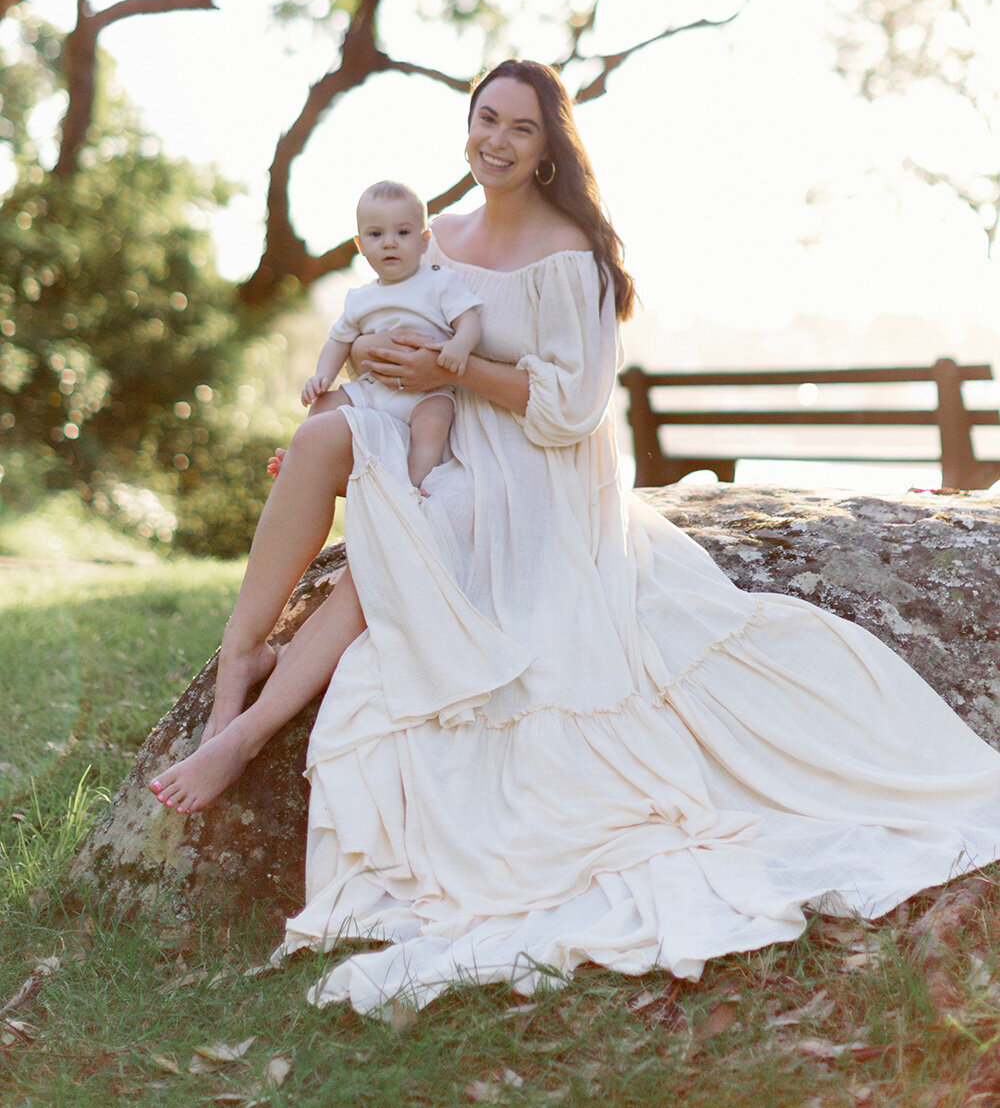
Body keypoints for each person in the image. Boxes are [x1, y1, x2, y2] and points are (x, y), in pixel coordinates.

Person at [151, 59, 1000, 1020]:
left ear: (551, 146)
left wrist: (455, 374)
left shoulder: (575, 259)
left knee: (407, 541)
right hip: (438, 437)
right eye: (485, 120)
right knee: (314, 439)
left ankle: (247, 734)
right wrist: (358, 394)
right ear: (464, 128)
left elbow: (572, 411)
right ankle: (239, 662)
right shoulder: (435, 240)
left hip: (536, 477)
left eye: (520, 127)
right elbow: (391, 342)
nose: (497, 141)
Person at [299, 179, 482, 491]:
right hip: (373, 390)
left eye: (403, 233)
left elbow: (470, 320)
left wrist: (459, 345)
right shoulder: (359, 297)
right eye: (376, 234)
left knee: (436, 420)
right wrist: (322, 377)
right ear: (360, 246)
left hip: (426, 393)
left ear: (424, 241)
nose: (389, 243)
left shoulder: (438, 282)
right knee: (324, 405)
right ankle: (298, 457)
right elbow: (338, 341)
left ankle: (414, 484)